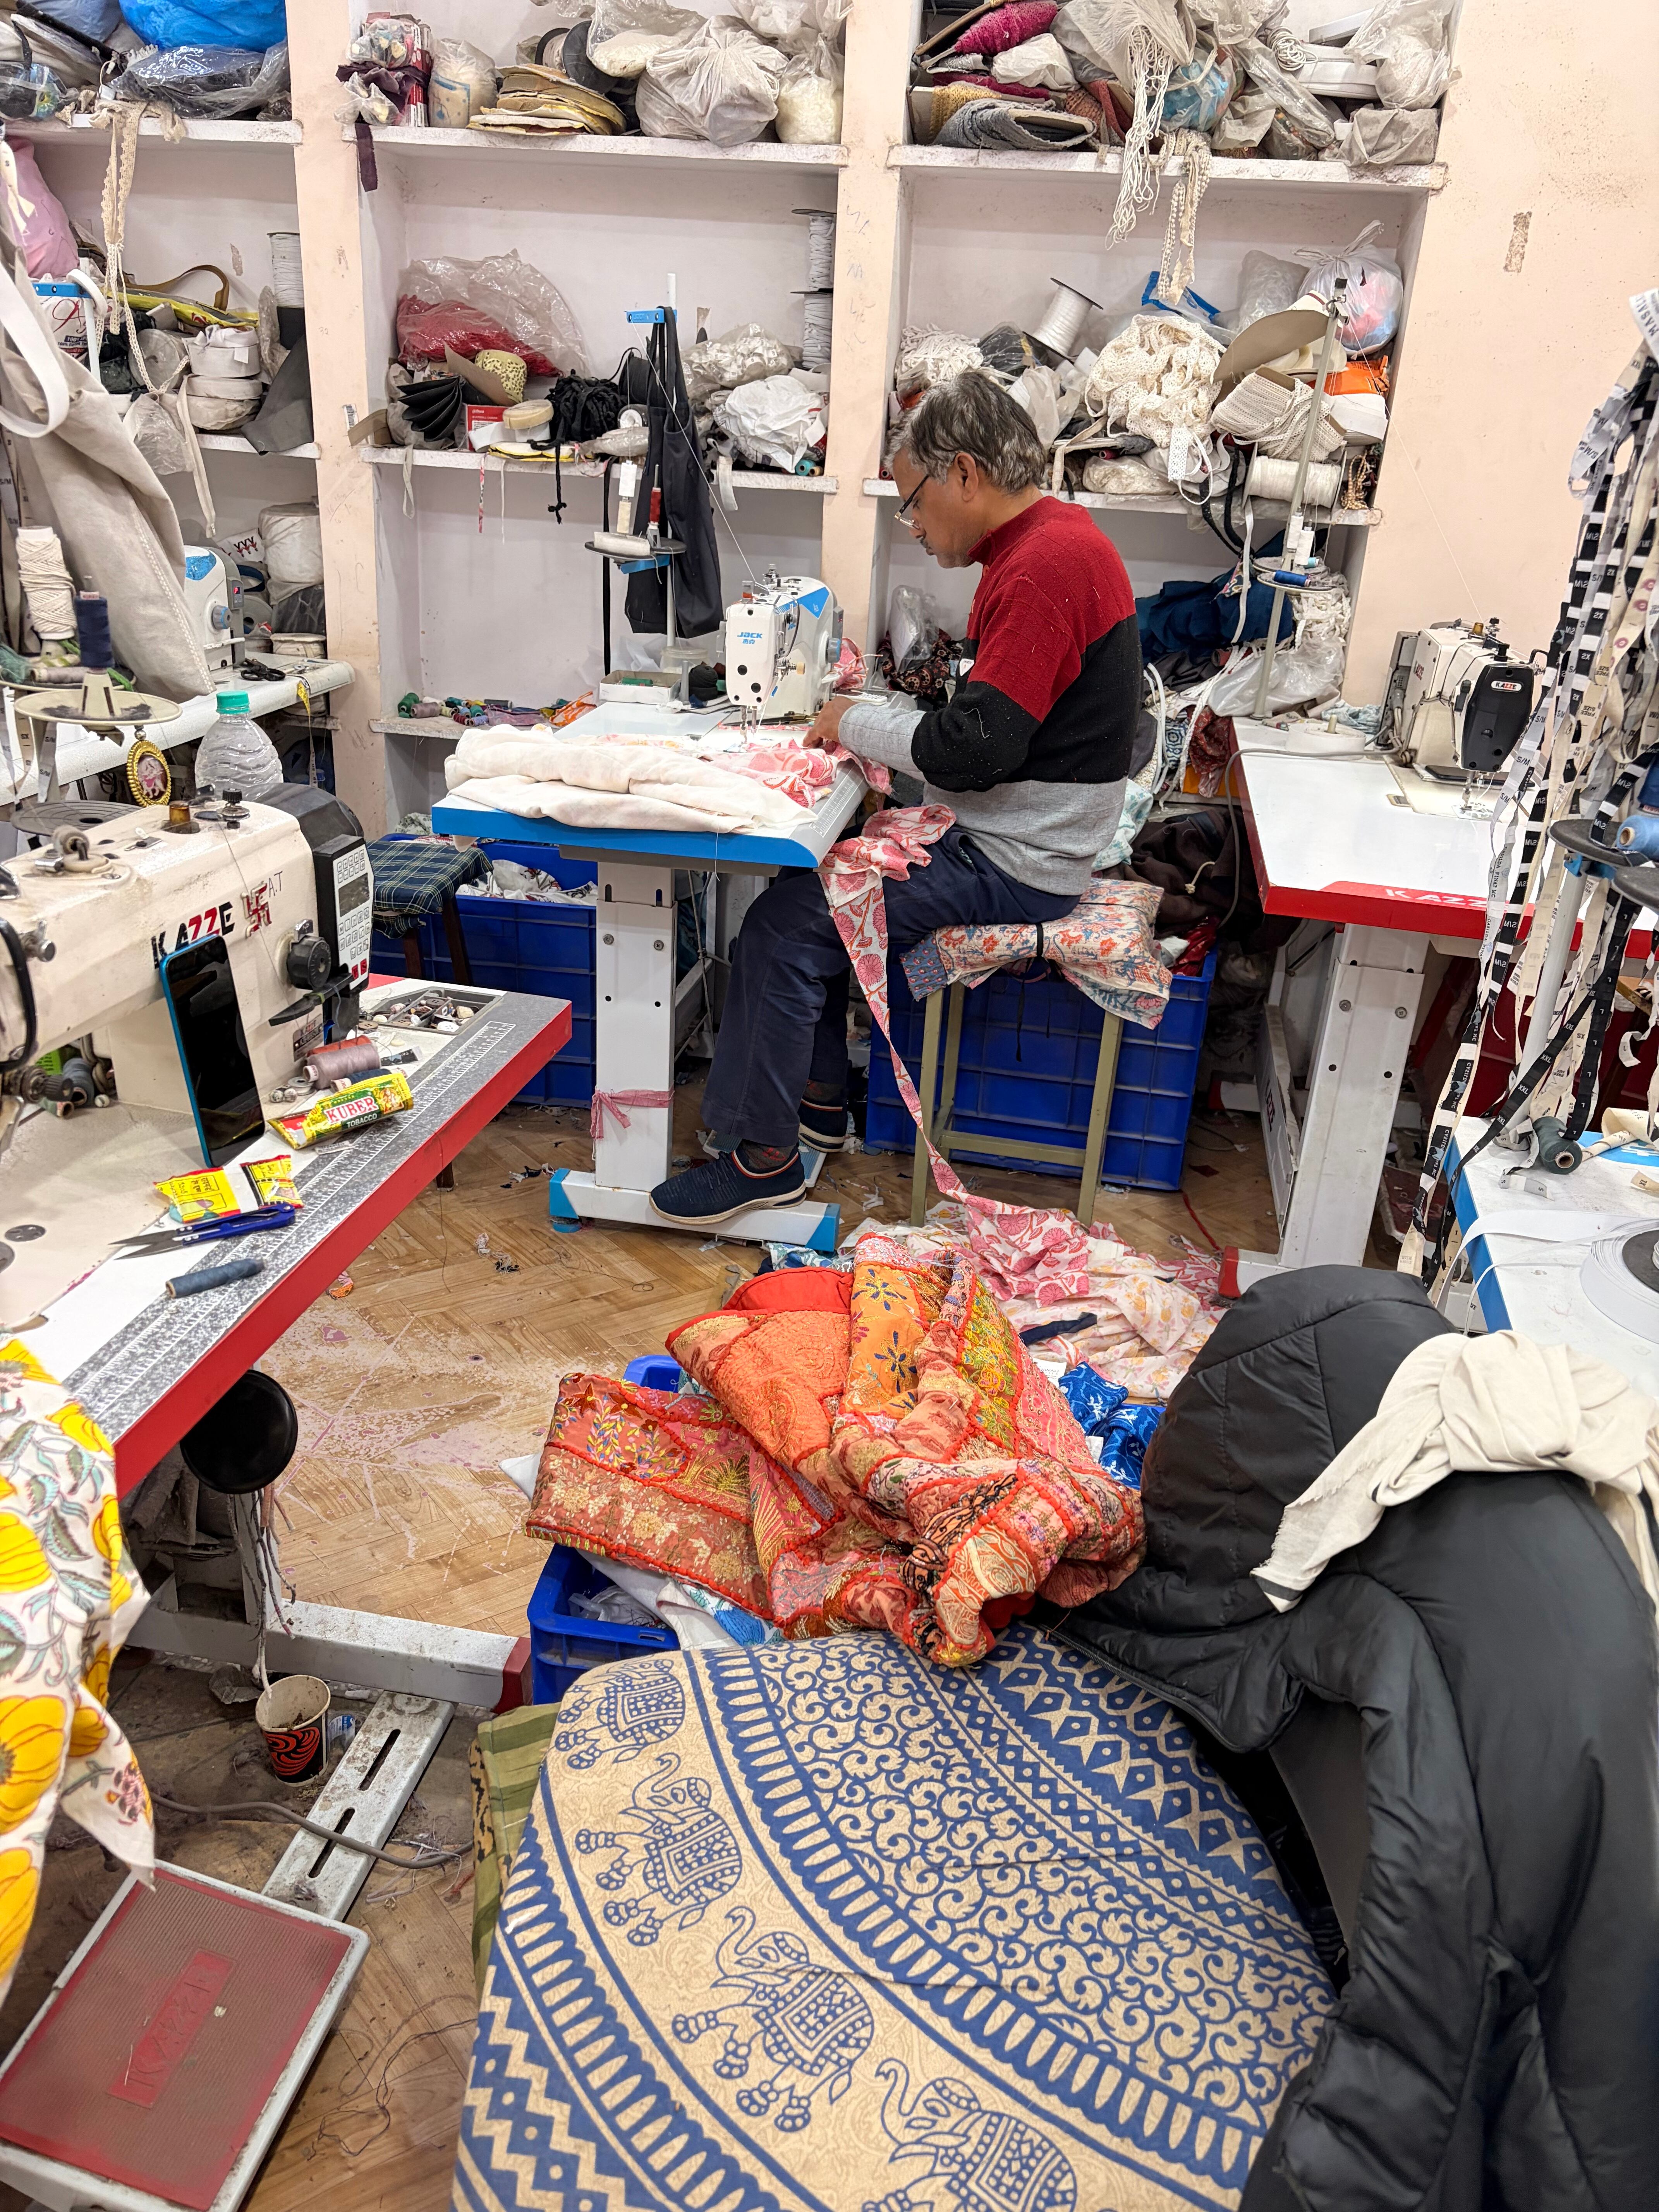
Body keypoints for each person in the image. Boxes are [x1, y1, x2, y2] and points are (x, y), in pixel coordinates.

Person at [650, 369, 1142, 1228]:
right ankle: (817, 1107)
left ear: (965, 474)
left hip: (1022, 859)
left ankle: (762, 1160)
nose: (912, 525)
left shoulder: (1044, 567)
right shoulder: (1051, 542)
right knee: (805, 890)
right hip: (1023, 832)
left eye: (913, 501)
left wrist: (852, 722)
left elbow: (978, 748)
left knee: (783, 928)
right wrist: (876, 723)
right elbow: (992, 724)